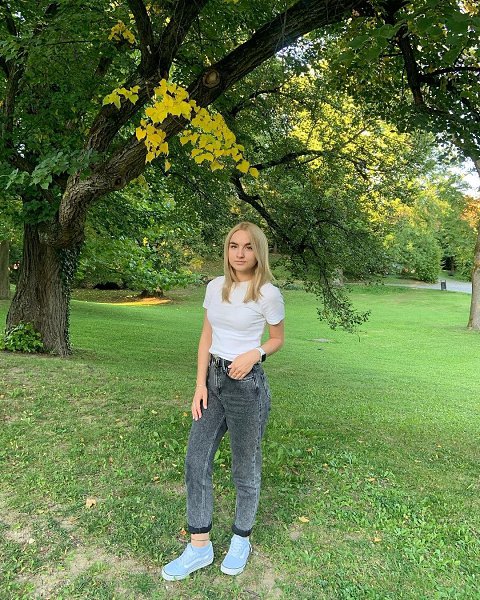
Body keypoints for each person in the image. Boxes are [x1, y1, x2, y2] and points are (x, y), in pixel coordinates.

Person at [162, 221, 285, 581]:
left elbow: (277, 338)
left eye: (248, 247)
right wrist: (199, 384)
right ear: (227, 250)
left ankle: (241, 539)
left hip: (246, 386)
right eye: (234, 246)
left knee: (244, 467)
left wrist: (256, 353)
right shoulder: (215, 287)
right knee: (196, 460)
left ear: (258, 252)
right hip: (213, 382)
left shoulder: (268, 294)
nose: (240, 253)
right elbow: (206, 336)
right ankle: (199, 546)